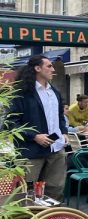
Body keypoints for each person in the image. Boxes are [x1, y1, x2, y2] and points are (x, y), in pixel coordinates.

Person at [7, 55, 68, 200]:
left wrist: (64, 132)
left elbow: (60, 117)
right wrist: (34, 136)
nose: (53, 69)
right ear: (37, 68)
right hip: (31, 151)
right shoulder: (21, 92)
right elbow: (10, 122)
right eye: (49, 66)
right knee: (27, 193)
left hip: (56, 148)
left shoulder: (55, 92)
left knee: (55, 190)